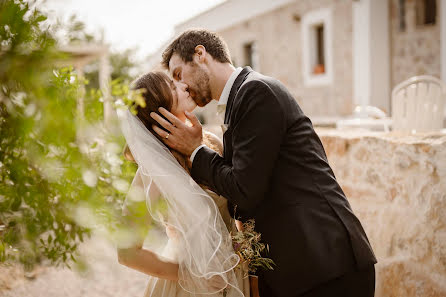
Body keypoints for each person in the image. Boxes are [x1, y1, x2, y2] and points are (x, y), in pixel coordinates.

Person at [150, 29, 377, 297]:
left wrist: (196, 150)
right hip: (296, 272)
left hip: (325, 265)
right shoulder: (239, 101)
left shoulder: (257, 91)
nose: (182, 85)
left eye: (179, 74)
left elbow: (245, 190)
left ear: (200, 55)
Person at [116, 71, 250, 297]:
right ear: (161, 111)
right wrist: (191, 276)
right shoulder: (153, 172)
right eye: (172, 85)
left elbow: (240, 201)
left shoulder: (212, 143)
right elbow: (126, 252)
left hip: (236, 276)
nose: (183, 85)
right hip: (190, 288)